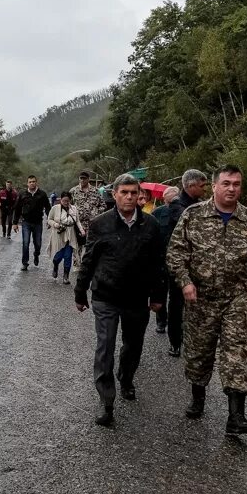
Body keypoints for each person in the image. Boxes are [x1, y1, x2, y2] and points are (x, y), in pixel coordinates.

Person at [166, 165, 247, 436]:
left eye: (236, 184)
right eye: (226, 183)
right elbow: (175, 255)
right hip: (201, 299)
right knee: (199, 355)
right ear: (214, 186)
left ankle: (236, 415)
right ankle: (198, 397)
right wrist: (185, 282)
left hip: (234, 298)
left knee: (235, 352)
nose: (231, 188)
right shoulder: (193, 215)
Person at [75, 174, 165, 427]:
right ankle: (106, 401)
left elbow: (158, 263)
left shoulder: (151, 225)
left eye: (133, 193)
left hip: (137, 297)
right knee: (105, 346)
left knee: (133, 346)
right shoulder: (100, 224)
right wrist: (80, 293)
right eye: (123, 192)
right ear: (114, 194)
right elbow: (89, 260)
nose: (128, 197)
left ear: (140, 196)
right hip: (106, 295)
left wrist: (158, 296)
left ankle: (126, 378)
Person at [163, 169, 207, 357]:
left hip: (198, 264)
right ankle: (175, 341)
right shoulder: (176, 205)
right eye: (201, 186)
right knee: (176, 304)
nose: (204, 190)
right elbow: (192, 224)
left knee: (197, 304)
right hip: (179, 263)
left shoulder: (199, 205)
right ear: (190, 185)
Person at [151, 186, 181, 334]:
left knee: (176, 296)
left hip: (179, 262)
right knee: (160, 293)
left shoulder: (184, 212)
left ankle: (176, 323)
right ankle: (161, 321)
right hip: (161, 260)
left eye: (175, 196)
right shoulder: (157, 212)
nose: (173, 198)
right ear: (164, 198)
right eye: (170, 196)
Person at [12, 175, 50, 271]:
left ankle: (36, 254)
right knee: (25, 243)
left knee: (38, 243)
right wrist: (15, 223)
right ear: (27, 183)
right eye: (30, 182)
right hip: (26, 223)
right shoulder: (22, 194)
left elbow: (48, 208)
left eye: (33, 181)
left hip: (38, 223)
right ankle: (25, 263)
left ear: (36, 182)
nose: (32, 183)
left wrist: (50, 220)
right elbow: (17, 209)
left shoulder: (42, 194)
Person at [47, 192, 81, 284]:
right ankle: (55, 266)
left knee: (68, 256)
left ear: (70, 200)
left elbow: (77, 221)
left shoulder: (73, 209)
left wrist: (82, 231)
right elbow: (49, 219)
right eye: (64, 201)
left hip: (70, 235)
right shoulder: (55, 208)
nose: (66, 202)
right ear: (60, 200)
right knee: (58, 256)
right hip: (59, 235)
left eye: (67, 201)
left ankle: (66, 276)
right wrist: (55, 224)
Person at [69, 171, 105, 235]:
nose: (82, 180)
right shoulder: (73, 191)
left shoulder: (96, 191)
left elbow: (103, 205)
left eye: (84, 178)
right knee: (78, 243)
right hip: (78, 224)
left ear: (88, 179)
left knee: (92, 243)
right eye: (81, 178)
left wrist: (96, 214)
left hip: (92, 224)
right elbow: (68, 206)